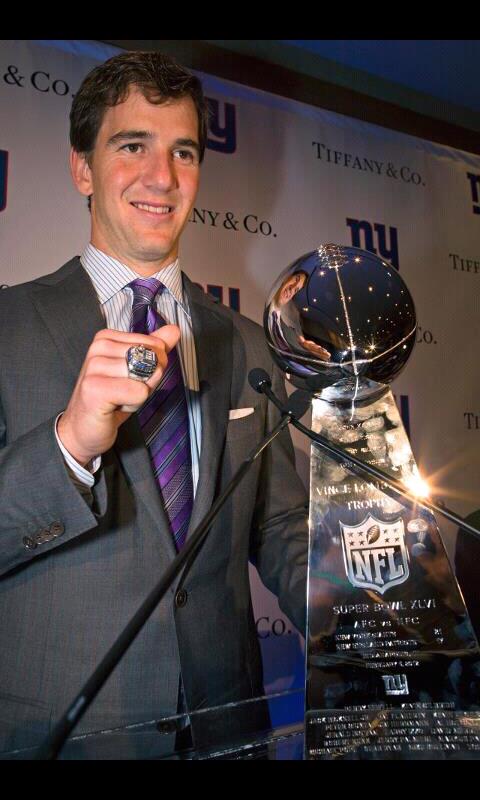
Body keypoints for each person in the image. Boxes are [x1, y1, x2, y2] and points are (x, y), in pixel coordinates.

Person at [0, 50, 308, 757]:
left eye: (183, 152)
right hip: (58, 737)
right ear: (83, 168)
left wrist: (357, 612)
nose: (162, 177)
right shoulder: (7, 326)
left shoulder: (249, 343)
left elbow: (278, 524)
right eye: (132, 146)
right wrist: (70, 444)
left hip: (225, 731)